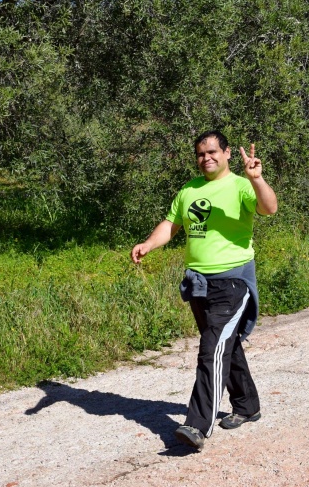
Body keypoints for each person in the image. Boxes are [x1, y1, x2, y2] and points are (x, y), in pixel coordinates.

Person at [130, 130, 277, 451]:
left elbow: (269, 209)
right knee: (225, 343)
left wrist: (257, 179)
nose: (206, 158)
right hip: (198, 281)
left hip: (233, 281)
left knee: (211, 349)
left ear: (226, 153)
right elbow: (171, 225)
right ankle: (247, 406)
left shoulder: (241, 185)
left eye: (212, 152)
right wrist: (148, 244)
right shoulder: (189, 189)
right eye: (200, 154)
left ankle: (197, 425)